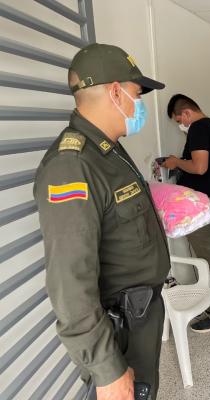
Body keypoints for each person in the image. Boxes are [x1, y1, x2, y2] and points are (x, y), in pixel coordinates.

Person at [33, 43, 170, 400]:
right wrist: (106, 369)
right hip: (118, 331)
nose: (139, 104)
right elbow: (70, 282)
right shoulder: (72, 166)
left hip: (140, 315)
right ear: (115, 92)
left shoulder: (108, 150)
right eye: (137, 94)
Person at [164, 94, 210, 333]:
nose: (181, 126)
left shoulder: (199, 128)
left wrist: (176, 162)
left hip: (203, 206)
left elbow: (200, 167)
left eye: (179, 121)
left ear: (186, 113)